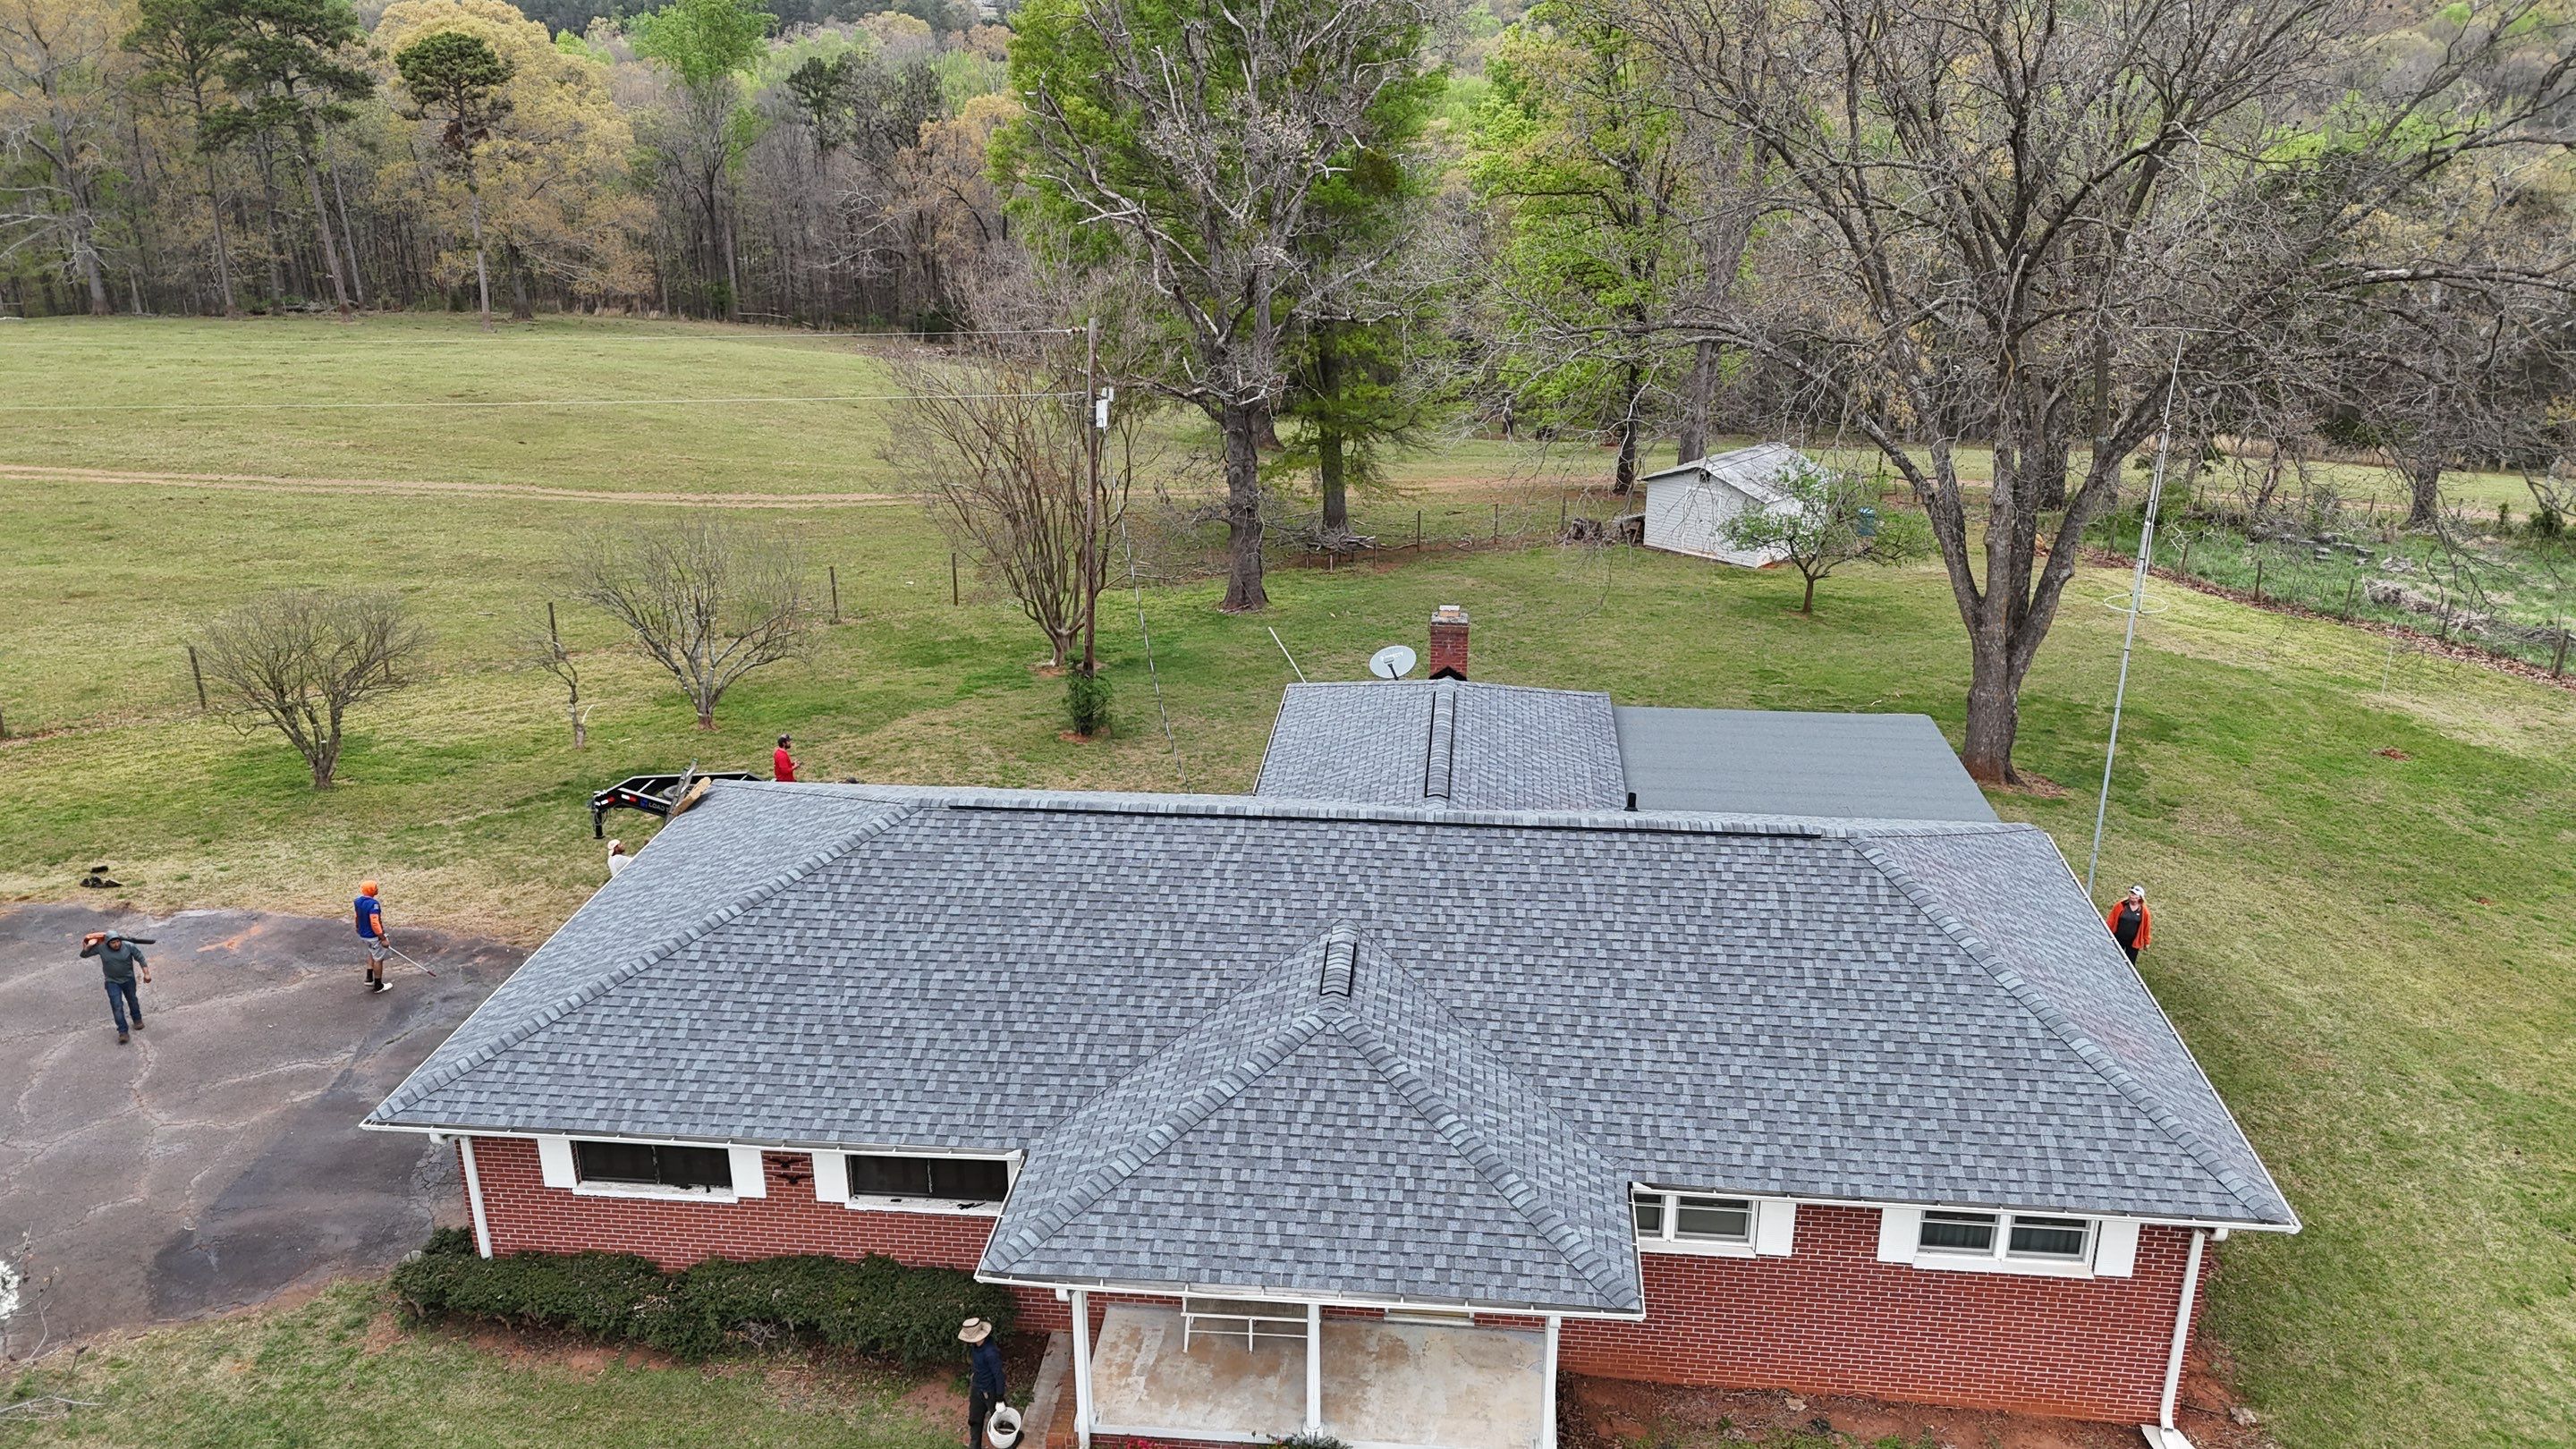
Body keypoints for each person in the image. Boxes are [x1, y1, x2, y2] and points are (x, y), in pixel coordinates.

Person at [80, 929, 156, 1044]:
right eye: (113, 943)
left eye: (118, 941)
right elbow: (84, 955)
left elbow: (140, 958)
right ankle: (122, 1031)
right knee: (117, 1006)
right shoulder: (101, 948)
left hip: (128, 979)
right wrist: (88, 946)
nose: (116, 944)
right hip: (112, 982)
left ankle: (137, 1019)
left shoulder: (129, 946)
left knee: (132, 1000)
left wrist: (147, 973)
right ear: (107, 943)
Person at [960, 1317, 1005, 1449]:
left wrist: (1000, 1398)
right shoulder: (975, 1346)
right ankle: (975, 1446)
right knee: (975, 1419)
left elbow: (999, 1375)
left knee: (1001, 1421)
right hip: (977, 1388)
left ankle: (1009, 1442)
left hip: (989, 1391)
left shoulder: (990, 1352)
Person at [355, 880, 393, 993]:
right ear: (372, 890)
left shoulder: (357, 901)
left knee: (372, 952)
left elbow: (357, 916)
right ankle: (378, 985)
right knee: (378, 959)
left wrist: (357, 927)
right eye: (375, 888)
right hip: (373, 936)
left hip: (363, 934)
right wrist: (383, 938)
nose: (377, 889)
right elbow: (374, 923)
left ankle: (369, 978)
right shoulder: (373, 904)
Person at [2106, 885, 2152, 963]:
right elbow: (2111, 920)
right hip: (2118, 938)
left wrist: (2147, 942)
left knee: (2129, 963)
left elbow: (2146, 927)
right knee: (2113, 960)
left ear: (2140, 897)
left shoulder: (2144, 912)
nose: (2132, 895)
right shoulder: (2120, 905)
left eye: (2134, 894)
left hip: (2133, 943)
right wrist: (2106, 931)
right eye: (2131, 893)